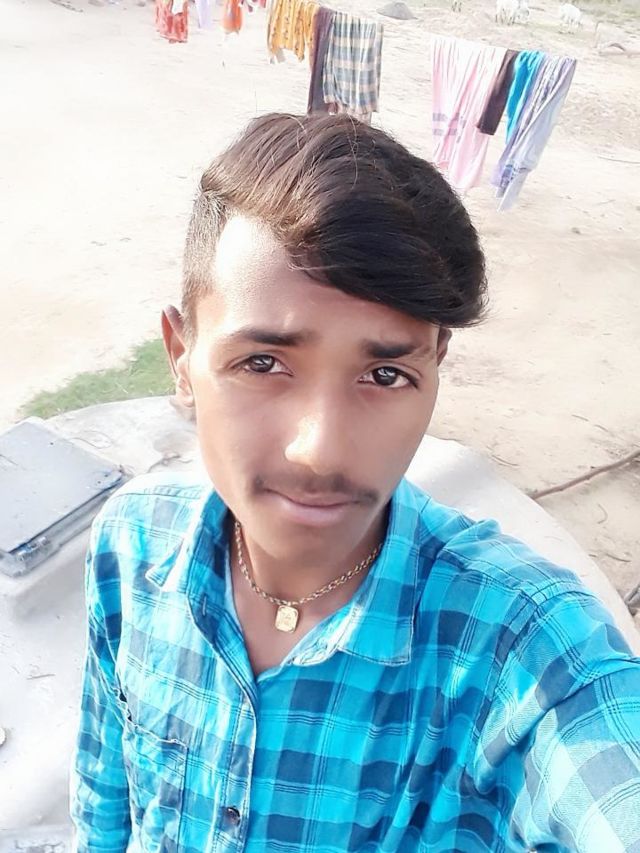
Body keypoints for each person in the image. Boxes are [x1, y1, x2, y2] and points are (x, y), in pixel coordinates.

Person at [70, 113, 640, 852]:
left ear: (435, 366)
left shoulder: (523, 652)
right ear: (182, 357)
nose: (319, 449)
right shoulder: (130, 545)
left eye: (385, 374)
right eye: (263, 364)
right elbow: (103, 812)